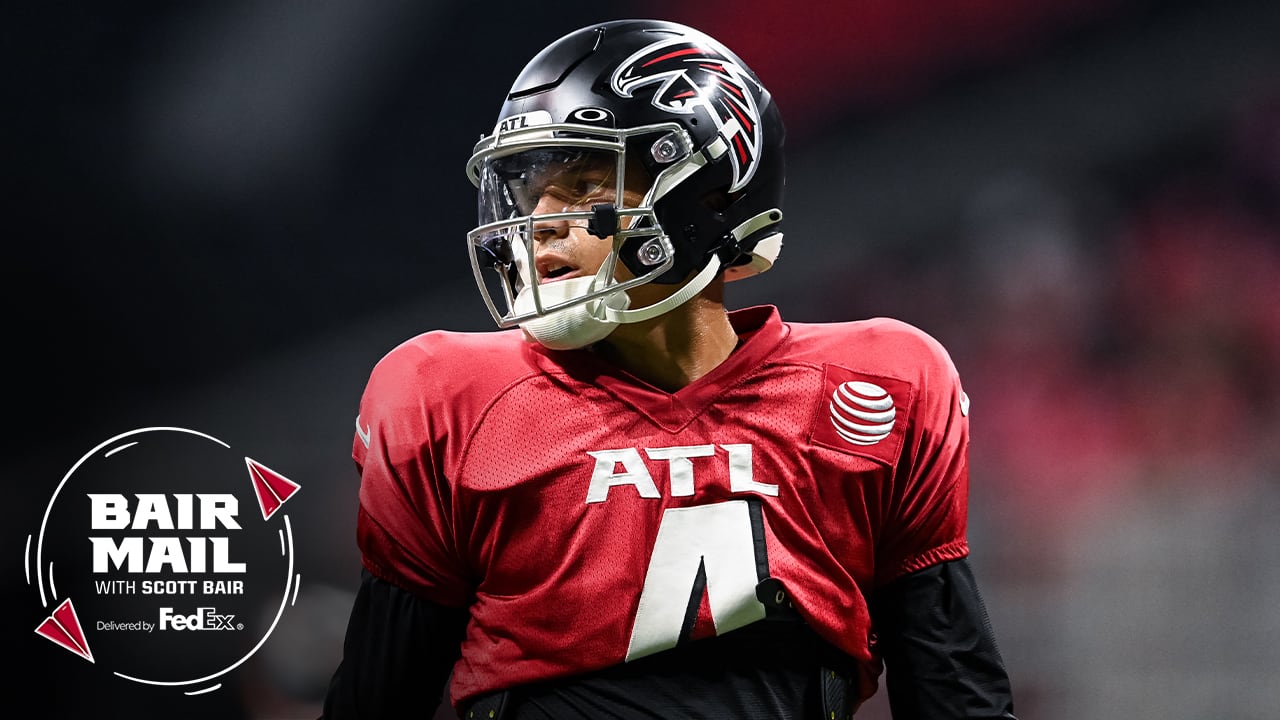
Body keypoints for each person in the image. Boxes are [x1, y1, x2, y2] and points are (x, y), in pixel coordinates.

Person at [322, 18, 1017, 720]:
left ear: (713, 192)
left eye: (587, 183)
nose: (544, 222)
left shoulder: (878, 385)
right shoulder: (451, 398)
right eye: (532, 194)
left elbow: (954, 694)